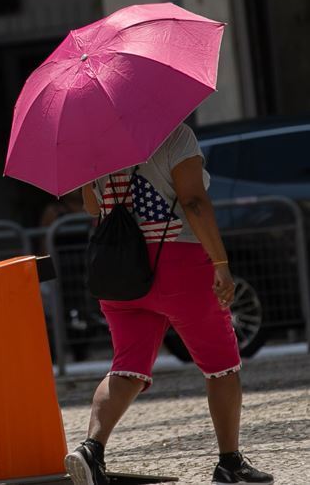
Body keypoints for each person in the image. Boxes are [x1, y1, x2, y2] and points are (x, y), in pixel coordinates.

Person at [64, 123, 273, 485]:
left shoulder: (94, 139)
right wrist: (221, 263)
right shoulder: (175, 135)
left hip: (119, 272)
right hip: (178, 264)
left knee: (127, 367)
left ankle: (91, 450)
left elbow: (91, 205)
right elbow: (192, 200)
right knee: (221, 366)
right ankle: (229, 464)